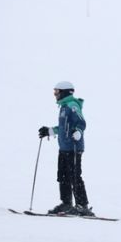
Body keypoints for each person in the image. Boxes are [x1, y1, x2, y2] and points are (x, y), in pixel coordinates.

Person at [38, 81, 93, 216]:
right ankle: (66, 203)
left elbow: (81, 122)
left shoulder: (72, 106)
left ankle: (82, 205)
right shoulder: (63, 107)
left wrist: (78, 132)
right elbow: (62, 128)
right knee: (62, 176)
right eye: (54, 92)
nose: (55, 95)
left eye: (57, 92)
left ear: (65, 92)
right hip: (64, 147)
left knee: (74, 176)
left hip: (74, 147)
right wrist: (49, 131)